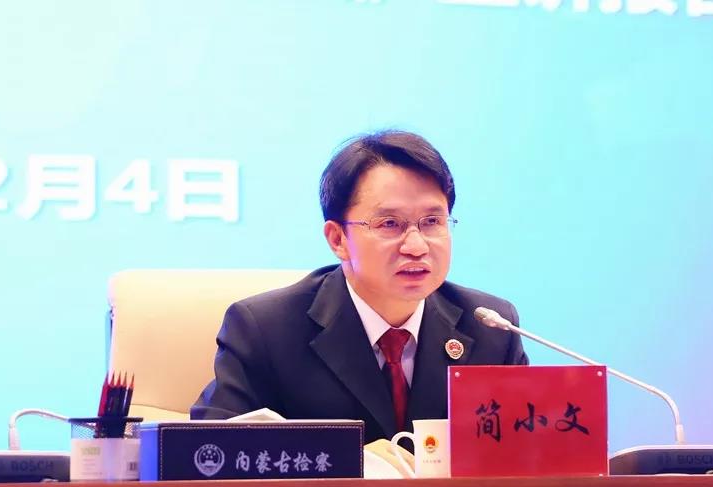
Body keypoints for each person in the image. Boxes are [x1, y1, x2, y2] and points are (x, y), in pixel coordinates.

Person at [191, 130, 527, 446]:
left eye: (432, 222)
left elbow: (524, 452)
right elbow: (207, 451)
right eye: (390, 224)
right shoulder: (266, 330)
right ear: (338, 239)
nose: (416, 246)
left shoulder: (491, 329)